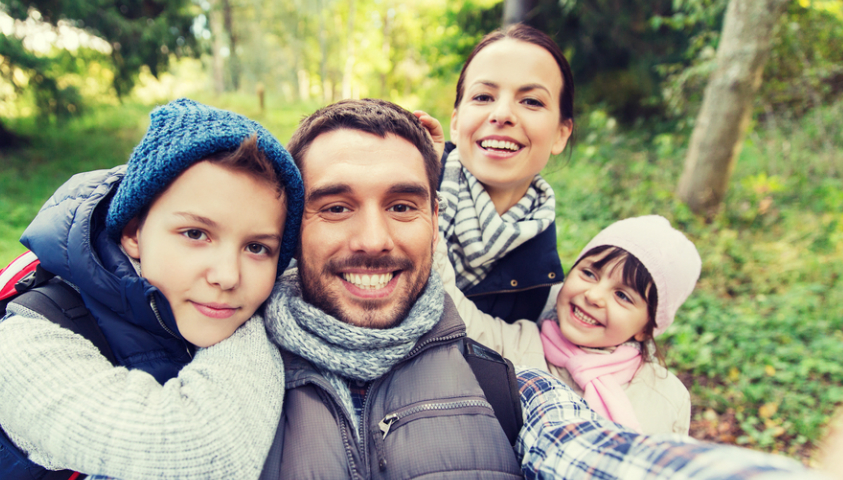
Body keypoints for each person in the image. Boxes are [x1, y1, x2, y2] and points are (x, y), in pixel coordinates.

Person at [259, 98, 821, 479]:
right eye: (335, 206)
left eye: (403, 206)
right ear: (289, 222)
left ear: (436, 217)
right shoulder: (228, 361)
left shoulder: (505, 379)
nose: (374, 238)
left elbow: (598, 452)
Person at [0, 98, 304, 480]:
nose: (228, 276)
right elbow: (204, 453)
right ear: (133, 232)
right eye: (195, 234)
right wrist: (257, 319)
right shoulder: (24, 345)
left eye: (257, 248)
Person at [439, 214, 697, 434]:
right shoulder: (517, 343)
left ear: (646, 328)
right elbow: (455, 308)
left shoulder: (668, 397)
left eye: (622, 295)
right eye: (589, 273)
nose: (594, 296)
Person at [416, 23, 574, 326]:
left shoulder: (545, 284)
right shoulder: (401, 188)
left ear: (560, 133)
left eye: (531, 101)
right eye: (483, 97)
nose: (502, 114)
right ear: (457, 121)